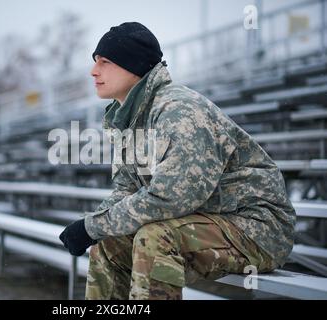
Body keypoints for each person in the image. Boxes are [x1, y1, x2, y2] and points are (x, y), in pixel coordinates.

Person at [59, 22, 295, 300]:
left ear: (133, 66)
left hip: (257, 228)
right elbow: (125, 192)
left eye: (105, 61)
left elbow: (172, 197)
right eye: (95, 62)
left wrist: (91, 226)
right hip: (207, 222)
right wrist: (93, 226)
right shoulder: (129, 120)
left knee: (156, 239)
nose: (93, 71)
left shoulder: (178, 110)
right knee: (109, 243)